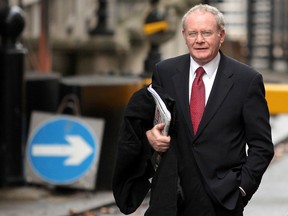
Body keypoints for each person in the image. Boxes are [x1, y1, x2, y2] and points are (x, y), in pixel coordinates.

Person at [112, 4, 274, 216]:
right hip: (170, 198)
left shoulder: (247, 80)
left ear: (221, 35)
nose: (199, 40)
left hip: (221, 201)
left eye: (206, 33)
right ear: (184, 36)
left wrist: (242, 189)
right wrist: (150, 137)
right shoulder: (164, 72)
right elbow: (152, 123)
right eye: (192, 33)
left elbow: (262, 146)